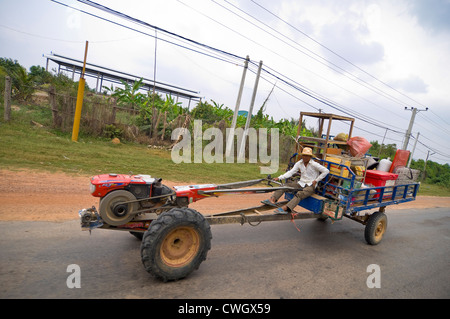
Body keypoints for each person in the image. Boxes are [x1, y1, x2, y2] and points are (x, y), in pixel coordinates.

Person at [261, 147, 329, 214]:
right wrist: (279, 178)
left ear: (310, 157)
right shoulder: (299, 163)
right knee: (284, 186)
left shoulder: (314, 164)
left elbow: (326, 171)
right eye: (304, 155)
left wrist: (316, 180)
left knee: (299, 194)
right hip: (301, 183)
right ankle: (272, 199)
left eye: (307, 156)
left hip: (310, 186)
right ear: (302, 156)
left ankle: (286, 208)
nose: (305, 157)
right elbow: (291, 172)